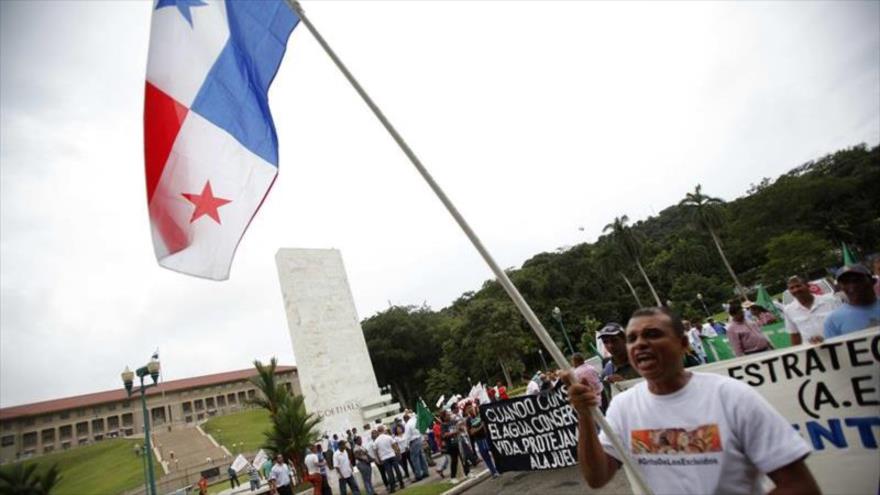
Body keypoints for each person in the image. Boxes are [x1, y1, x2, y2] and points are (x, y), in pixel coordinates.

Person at [566, 306, 820, 495]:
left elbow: (800, 486)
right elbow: (597, 477)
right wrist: (585, 416)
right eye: (632, 338)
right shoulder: (623, 407)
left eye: (652, 334)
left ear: (683, 343)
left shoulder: (732, 396)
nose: (640, 344)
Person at [824, 264, 880, 337]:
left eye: (857, 280)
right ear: (840, 287)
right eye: (845, 282)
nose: (852, 286)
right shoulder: (833, 321)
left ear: (872, 281)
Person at [783, 275, 841, 345]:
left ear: (808, 286)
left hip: (837, 346)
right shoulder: (788, 310)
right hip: (812, 352)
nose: (796, 290)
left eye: (798, 286)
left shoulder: (830, 301)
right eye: (791, 288)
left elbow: (842, 324)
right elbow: (795, 335)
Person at [597, 322, 640, 408]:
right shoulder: (607, 372)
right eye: (605, 342)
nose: (610, 346)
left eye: (614, 340)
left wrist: (626, 385)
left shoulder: (642, 362)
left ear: (624, 339)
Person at [465, 403, 498, 478]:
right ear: (466, 411)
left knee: (494, 452)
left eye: (471, 407)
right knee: (486, 456)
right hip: (479, 440)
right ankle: (493, 471)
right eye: (468, 409)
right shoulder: (468, 420)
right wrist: (481, 426)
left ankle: (498, 468)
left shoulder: (480, 414)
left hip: (486, 437)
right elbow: (471, 432)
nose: (470, 409)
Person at [440, 409, 470, 482]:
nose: (449, 415)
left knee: (464, 458)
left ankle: (467, 473)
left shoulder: (453, 422)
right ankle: (453, 477)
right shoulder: (443, 425)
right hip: (451, 445)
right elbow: (444, 435)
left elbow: (461, 426)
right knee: (454, 461)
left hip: (458, 442)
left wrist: (461, 427)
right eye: (447, 415)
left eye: (449, 414)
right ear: (444, 417)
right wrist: (454, 432)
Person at [374, 425, 404, 493]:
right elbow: (395, 446)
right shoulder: (388, 437)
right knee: (397, 470)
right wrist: (398, 454)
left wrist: (378, 460)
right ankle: (402, 484)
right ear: (383, 430)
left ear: (378, 432)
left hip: (384, 458)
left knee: (389, 473)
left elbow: (376, 452)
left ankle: (393, 488)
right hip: (392, 455)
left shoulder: (376, 441)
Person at [404, 412, 429, 481]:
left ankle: (418, 475)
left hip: (414, 441)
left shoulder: (408, 424)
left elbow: (407, 436)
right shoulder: (416, 421)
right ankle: (425, 471)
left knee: (415, 459)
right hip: (419, 438)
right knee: (421, 456)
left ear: (405, 419)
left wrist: (406, 445)